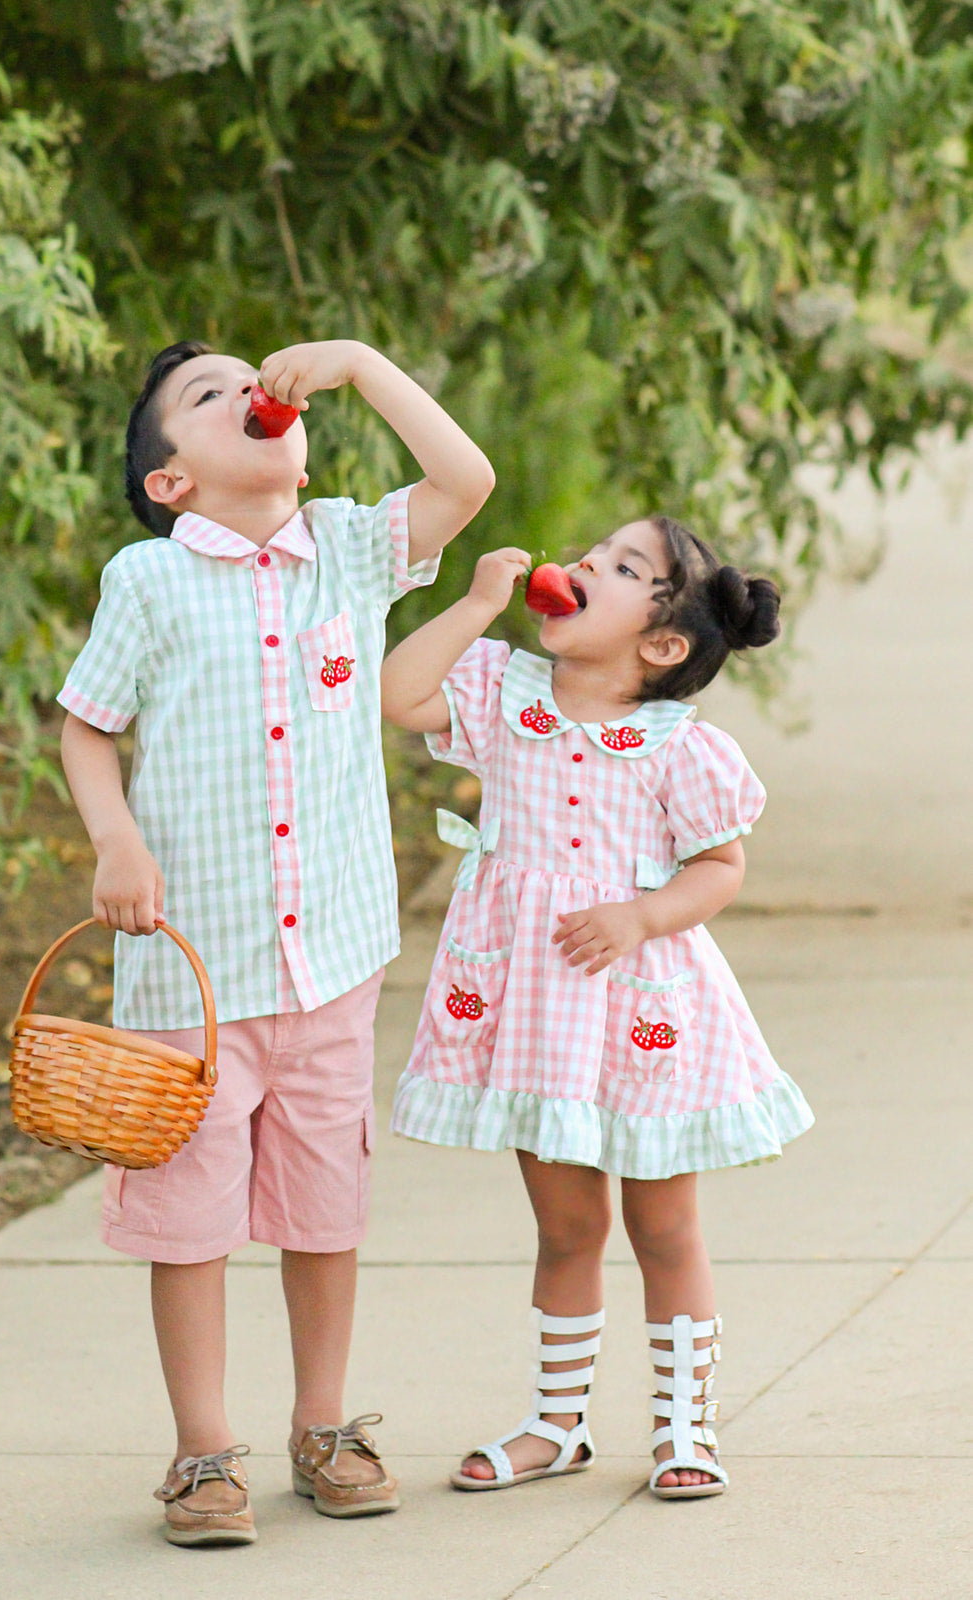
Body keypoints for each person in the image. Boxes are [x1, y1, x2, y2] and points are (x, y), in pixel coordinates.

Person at [57, 338, 494, 1544]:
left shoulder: (349, 551)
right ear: (171, 482)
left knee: (323, 1208)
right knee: (187, 1222)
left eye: (255, 381)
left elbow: (464, 479)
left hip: (331, 964)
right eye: (205, 395)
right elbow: (88, 730)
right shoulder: (145, 583)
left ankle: (324, 1422)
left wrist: (359, 362)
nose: (248, 391)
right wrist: (115, 843)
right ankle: (202, 1453)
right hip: (190, 976)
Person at [382, 518, 813, 1499]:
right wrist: (474, 603)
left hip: (639, 1013)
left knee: (663, 1227)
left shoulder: (680, 748)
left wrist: (641, 913)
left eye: (622, 568)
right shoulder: (500, 695)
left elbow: (718, 866)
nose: (581, 565)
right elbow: (398, 694)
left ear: (660, 645)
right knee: (566, 1226)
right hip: (535, 1010)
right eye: (592, 551)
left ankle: (683, 1428)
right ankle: (556, 1422)